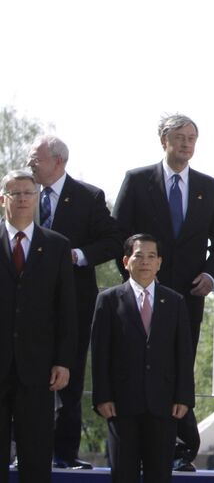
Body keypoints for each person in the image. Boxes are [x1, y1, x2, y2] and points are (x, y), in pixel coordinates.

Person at [112, 113, 214, 471]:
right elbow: (119, 234)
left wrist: (211, 276)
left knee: (181, 365)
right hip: (143, 295)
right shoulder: (137, 181)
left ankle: (182, 446)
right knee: (140, 364)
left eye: (192, 138)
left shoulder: (209, 187)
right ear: (163, 140)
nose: (186, 144)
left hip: (187, 298)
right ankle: (137, 444)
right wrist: (137, 280)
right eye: (179, 137)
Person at [27, 134, 123, 470]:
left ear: (58, 162)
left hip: (73, 303)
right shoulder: (23, 193)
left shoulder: (88, 197)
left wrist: (79, 255)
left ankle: (63, 454)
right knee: (21, 375)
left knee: (69, 377)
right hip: (26, 307)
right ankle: (19, 449)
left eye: (35, 159)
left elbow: (113, 240)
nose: (30, 165)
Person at [90, 234, 195, 483]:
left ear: (159, 262)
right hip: (121, 405)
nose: (145, 262)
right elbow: (99, 352)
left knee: (158, 474)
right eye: (139, 256)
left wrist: (184, 397)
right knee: (123, 474)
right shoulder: (108, 300)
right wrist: (102, 396)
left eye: (151, 256)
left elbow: (183, 353)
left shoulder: (174, 301)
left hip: (163, 405)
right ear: (126, 261)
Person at [0, 168, 77, 483]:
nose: (22, 199)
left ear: (37, 198)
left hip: (39, 368)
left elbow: (66, 309)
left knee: (35, 456)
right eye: (15, 193)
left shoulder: (56, 245)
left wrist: (63, 360)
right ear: (3, 199)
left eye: (28, 193)